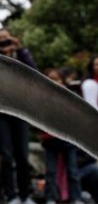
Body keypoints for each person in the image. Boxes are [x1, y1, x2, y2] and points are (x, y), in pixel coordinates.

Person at [0, 27, 36, 204]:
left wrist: (19, 49)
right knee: (5, 154)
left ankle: (26, 195)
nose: (4, 43)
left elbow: (34, 74)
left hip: (21, 111)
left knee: (22, 155)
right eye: (0, 39)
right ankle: (12, 196)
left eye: (7, 39)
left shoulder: (20, 57)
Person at [40, 68, 82, 204]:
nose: (54, 82)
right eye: (50, 79)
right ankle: (51, 197)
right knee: (50, 171)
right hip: (50, 140)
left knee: (72, 171)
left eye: (56, 79)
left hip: (68, 139)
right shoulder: (42, 99)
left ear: (63, 81)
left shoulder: (69, 97)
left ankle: (76, 197)